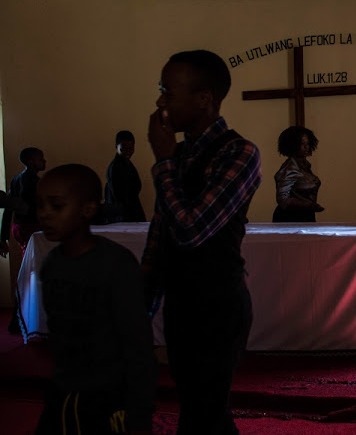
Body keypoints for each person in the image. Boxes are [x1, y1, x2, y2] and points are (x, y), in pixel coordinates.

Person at [143, 49, 261, 434]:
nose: (160, 101)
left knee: (204, 412)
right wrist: (142, 303)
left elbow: (191, 231)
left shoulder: (239, 152)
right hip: (181, 304)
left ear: (204, 99)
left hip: (217, 307)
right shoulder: (178, 154)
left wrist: (162, 163)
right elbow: (161, 233)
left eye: (167, 91)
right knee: (197, 409)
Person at [34, 164, 155, 435]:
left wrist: (138, 411)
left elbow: (138, 345)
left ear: (87, 210)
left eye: (56, 206)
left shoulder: (116, 265)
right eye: (40, 205)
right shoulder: (52, 264)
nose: (44, 214)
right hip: (65, 391)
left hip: (108, 396)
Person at [0, 147, 46, 334]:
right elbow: (34, 210)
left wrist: (3, 237)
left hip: (18, 228)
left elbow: (8, 209)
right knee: (29, 273)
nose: (44, 161)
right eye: (40, 159)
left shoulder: (17, 179)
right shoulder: (32, 182)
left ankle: (23, 318)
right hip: (31, 229)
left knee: (29, 272)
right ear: (31, 162)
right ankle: (18, 320)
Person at [272, 126, 323, 222]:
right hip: (290, 219)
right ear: (293, 145)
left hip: (306, 216)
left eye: (307, 143)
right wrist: (309, 205)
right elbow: (283, 199)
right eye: (302, 144)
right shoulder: (290, 168)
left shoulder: (305, 166)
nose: (306, 147)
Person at [105, 130, 147, 222]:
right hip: (122, 215)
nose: (128, 152)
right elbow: (119, 196)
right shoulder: (115, 167)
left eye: (131, 148)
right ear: (116, 147)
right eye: (123, 148)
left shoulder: (127, 163)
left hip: (130, 210)